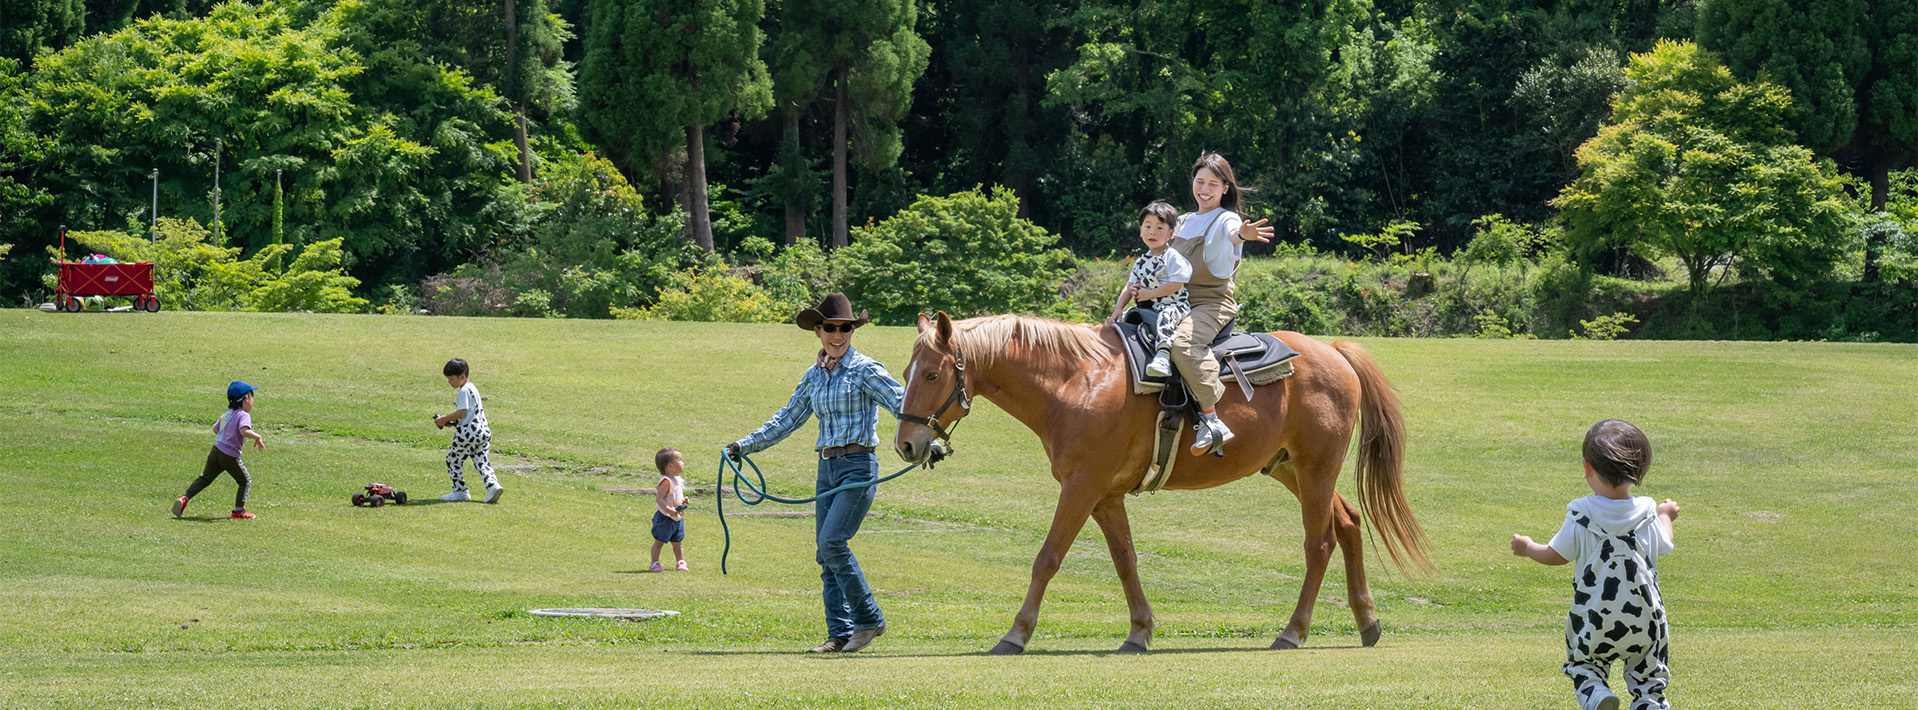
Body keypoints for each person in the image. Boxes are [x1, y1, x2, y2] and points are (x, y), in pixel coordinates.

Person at [725, 292, 904, 654]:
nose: (838, 336)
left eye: (845, 329)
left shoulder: (867, 369)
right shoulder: (813, 376)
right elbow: (787, 419)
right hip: (827, 469)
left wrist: (930, 437)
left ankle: (869, 619)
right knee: (826, 556)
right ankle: (838, 634)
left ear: (853, 330)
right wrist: (743, 446)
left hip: (858, 466)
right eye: (830, 329)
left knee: (832, 543)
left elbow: (904, 405)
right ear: (818, 331)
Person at [1511, 419, 1680, 710]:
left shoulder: (1582, 514)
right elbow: (1666, 541)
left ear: (1587, 468)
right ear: (1639, 470)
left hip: (1595, 617)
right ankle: (1649, 702)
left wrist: (1528, 548)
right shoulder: (1648, 513)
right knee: (1649, 675)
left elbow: (1556, 555)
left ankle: (1597, 694)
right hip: (1645, 620)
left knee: (1583, 663)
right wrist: (1666, 514)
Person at [1166, 152, 1274, 455]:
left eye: (1213, 184)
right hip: (1174, 300)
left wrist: (1243, 234)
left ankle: (1212, 421)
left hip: (1211, 303)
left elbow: (1230, 234)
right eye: (1200, 181)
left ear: (1225, 188)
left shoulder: (1227, 218)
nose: (1205, 189)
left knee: (1182, 345)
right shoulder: (1184, 221)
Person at [1107, 200, 1193, 377]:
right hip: (1149, 307)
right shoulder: (1141, 261)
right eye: (1147, 226)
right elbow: (1128, 286)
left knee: (1166, 317)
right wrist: (1118, 309)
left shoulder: (1172, 257)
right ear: (1140, 231)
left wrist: (1149, 294)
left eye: (1160, 228)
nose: (1152, 232)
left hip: (1174, 305)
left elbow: (1177, 283)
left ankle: (1163, 355)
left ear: (1171, 233)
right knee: (1129, 318)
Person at [173, 381, 265, 519]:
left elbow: (216, 429)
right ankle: (238, 511)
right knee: (244, 481)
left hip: (216, 451)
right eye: (252, 398)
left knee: (205, 478)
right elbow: (244, 430)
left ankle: (184, 499)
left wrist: (226, 436)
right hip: (229, 456)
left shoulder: (227, 414)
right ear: (246, 399)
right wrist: (257, 437)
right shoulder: (244, 415)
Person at [433, 359, 503, 503]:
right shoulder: (472, 388)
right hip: (483, 431)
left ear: (462, 377)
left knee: (453, 459)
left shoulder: (463, 391)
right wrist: (451, 422)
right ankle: (493, 486)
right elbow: (468, 413)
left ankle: (460, 491)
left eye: (452, 379)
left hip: (469, 432)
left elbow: (462, 411)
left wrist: (443, 419)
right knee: (481, 460)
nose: (450, 382)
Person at [650, 447, 690, 572]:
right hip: (665, 518)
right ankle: (655, 563)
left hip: (677, 518)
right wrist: (668, 510)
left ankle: (681, 562)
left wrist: (684, 501)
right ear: (670, 466)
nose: (683, 462)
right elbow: (660, 499)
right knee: (659, 541)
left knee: (677, 541)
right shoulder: (666, 482)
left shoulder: (678, 480)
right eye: (679, 460)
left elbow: (676, 496)